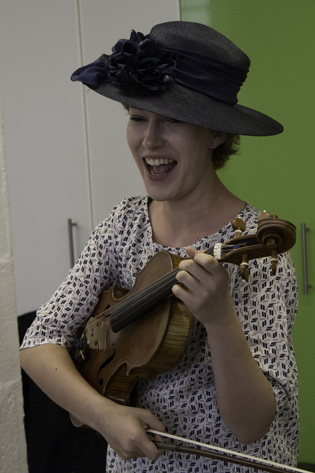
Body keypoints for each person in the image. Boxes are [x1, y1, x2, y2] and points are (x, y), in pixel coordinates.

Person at [20, 21, 299, 472]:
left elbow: (251, 426)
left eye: (173, 119)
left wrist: (221, 319)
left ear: (219, 134)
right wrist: (105, 417)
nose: (150, 141)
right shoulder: (122, 226)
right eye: (137, 117)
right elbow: (38, 342)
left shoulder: (260, 253)